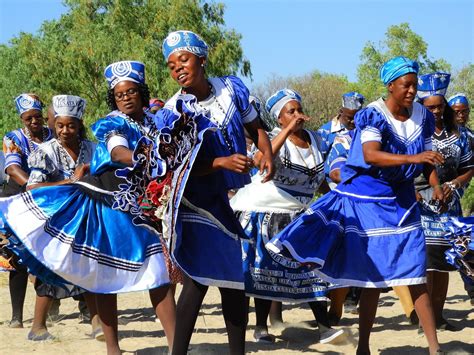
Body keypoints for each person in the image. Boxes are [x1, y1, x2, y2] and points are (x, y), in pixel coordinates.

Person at [0, 61, 201, 355]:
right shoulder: (112, 123)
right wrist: (154, 162)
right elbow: (119, 153)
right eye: (120, 95)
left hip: (146, 207)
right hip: (107, 206)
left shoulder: (157, 121)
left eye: (132, 91)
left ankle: (176, 346)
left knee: (158, 275)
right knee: (105, 277)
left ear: (142, 93)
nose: (126, 98)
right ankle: (112, 348)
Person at [266, 56, 444, 355]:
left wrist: (436, 185)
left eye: (415, 85)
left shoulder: (423, 117)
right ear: (390, 86)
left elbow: (428, 157)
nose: (412, 91)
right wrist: (414, 160)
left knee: (416, 272)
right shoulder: (373, 115)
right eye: (406, 85)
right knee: (372, 279)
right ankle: (363, 345)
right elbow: (372, 155)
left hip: (403, 202)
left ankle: (435, 348)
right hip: (369, 202)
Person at [162, 29, 274, 355]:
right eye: (171, 65)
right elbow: (177, 166)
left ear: (201, 58)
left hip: (233, 198)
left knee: (232, 282)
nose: (178, 68)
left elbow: (256, 127)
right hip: (198, 200)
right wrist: (222, 162)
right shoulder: (174, 111)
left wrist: (266, 153)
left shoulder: (232, 88)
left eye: (183, 60)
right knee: (202, 279)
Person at [231, 88, 344, 344]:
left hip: (299, 213)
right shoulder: (272, 138)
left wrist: (329, 199)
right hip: (268, 211)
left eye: (298, 109)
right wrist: (285, 132)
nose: (296, 115)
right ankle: (261, 328)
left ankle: (324, 327)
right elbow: (261, 159)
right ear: (279, 119)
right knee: (264, 271)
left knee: (310, 268)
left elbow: (320, 179)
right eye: (289, 112)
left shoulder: (316, 140)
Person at [24, 94, 97, 341]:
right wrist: (71, 181)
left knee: (89, 267)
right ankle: (37, 326)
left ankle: (98, 324)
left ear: (79, 126)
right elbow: (32, 188)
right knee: (50, 270)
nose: (65, 130)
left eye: (71, 125)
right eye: (60, 126)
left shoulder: (92, 149)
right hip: (56, 220)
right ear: (54, 125)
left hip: (87, 217)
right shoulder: (45, 151)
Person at [415, 73, 473, 330]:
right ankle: (425, 319)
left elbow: (470, 167)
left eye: (440, 106)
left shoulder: (460, 135)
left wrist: (453, 185)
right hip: (420, 205)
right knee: (426, 265)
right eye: (430, 107)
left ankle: (438, 316)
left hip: (450, 204)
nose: (436, 111)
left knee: (445, 262)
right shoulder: (414, 133)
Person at [1, 94, 53, 329]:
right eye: (29, 118)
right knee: (19, 256)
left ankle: (81, 307)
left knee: (58, 251)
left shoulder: (53, 135)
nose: (34, 122)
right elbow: (12, 169)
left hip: (50, 198)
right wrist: (33, 187)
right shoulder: (13, 138)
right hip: (19, 199)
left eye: (38, 117)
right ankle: (17, 315)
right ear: (22, 119)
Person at [317, 91, 364, 158]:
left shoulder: (363, 129)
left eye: (357, 117)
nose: (354, 121)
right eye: (350, 118)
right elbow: (320, 158)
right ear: (341, 112)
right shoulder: (325, 132)